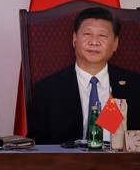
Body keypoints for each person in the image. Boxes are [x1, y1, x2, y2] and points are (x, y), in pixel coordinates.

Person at [26, 7, 140, 145]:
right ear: (75, 39)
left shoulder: (135, 85)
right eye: (87, 34)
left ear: (115, 43)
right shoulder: (48, 89)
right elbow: (36, 146)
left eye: (102, 36)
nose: (94, 42)